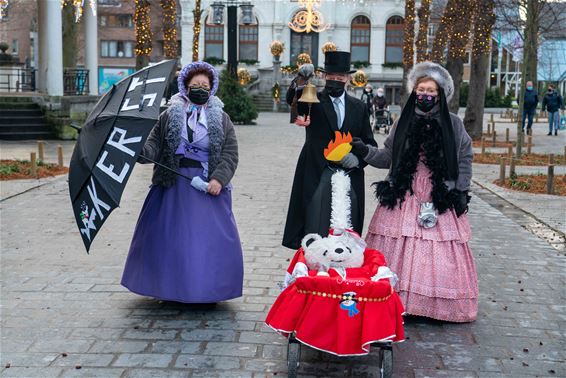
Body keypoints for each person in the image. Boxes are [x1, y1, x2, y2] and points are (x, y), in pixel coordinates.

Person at [350, 62, 477, 322]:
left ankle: (433, 306)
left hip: (440, 192)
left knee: (437, 249)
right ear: (414, 91)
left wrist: (460, 188)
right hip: (403, 191)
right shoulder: (402, 122)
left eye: (431, 90)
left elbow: (465, 156)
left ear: (441, 94)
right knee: (398, 243)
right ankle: (396, 301)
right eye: (421, 89)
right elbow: (387, 156)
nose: (426, 95)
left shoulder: (453, 124)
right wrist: (363, 150)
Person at [121, 61, 243, 304]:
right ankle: (170, 289)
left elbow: (230, 153)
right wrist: (139, 150)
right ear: (185, 87)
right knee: (172, 240)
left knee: (205, 243)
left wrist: (219, 178)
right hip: (173, 186)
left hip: (207, 188)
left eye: (204, 85)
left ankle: (208, 290)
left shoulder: (222, 118)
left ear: (212, 88)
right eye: (195, 84)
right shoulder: (169, 115)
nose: (200, 88)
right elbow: (154, 146)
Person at [282, 51, 377, 249]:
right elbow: (293, 99)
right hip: (317, 170)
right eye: (331, 77)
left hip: (348, 174)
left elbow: (370, 143)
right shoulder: (312, 99)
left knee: (346, 226)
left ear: (348, 79)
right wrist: (301, 79)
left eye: (340, 77)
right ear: (324, 77)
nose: (336, 81)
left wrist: (359, 160)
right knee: (315, 222)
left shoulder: (359, 107)